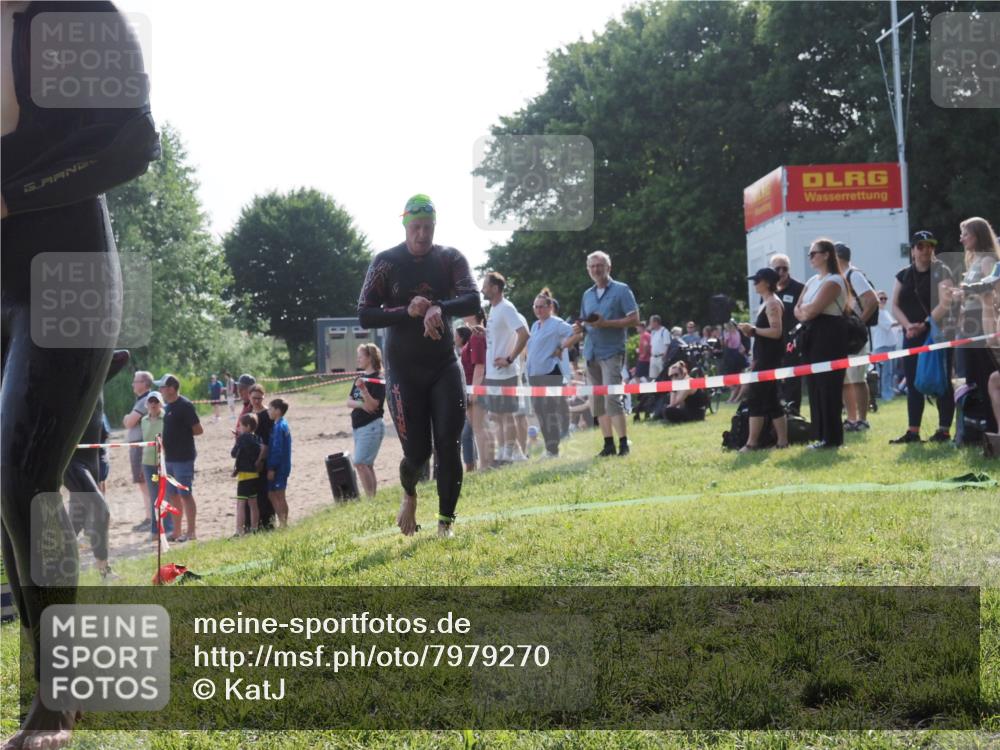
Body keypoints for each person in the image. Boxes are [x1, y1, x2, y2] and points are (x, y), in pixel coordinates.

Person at [1, 2, 159, 745]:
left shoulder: (78, 14)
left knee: (23, 476)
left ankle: (60, 694)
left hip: (68, 277)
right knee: (7, 486)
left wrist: (14, 196)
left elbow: (132, 141)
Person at [357, 195, 480, 537]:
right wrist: (406, 310)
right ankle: (409, 494)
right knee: (417, 454)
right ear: (405, 226)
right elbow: (365, 313)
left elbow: (472, 299)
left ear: (435, 226)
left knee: (449, 443)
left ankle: (445, 523)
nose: (422, 234)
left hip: (443, 365)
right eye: (416, 227)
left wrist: (439, 307)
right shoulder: (386, 262)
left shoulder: (450, 258)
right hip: (404, 370)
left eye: (428, 227)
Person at [564, 251, 639, 457]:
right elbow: (585, 323)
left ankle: (623, 444)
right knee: (597, 402)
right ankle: (608, 445)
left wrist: (607, 323)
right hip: (591, 353)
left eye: (600, 265)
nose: (596, 269)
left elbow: (634, 319)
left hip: (612, 351)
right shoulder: (587, 295)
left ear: (609, 267)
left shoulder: (622, 290)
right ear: (588, 270)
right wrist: (579, 327)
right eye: (592, 266)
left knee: (612, 398)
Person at [889, 230, 956, 444]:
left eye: (930, 246)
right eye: (920, 246)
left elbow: (945, 302)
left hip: (937, 334)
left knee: (941, 380)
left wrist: (925, 324)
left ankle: (943, 431)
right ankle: (913, 431)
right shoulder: (903, 275)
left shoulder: (942, 270)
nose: (926, 250)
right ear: (913, 250)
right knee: (913, 382)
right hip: (911, 335)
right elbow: (894, 305)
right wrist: (908, 326)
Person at [794, 238, 851, 448]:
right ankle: (819, 435)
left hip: (829, 336)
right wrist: (805, 312)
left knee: (828, 387)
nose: (810, 257)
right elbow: (798, 309)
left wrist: (806, 311)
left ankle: (832, 437)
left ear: (826, 255)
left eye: (813, 253)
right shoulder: (812, 281)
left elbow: (813, 309)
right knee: (814, 386)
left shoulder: (835, 280)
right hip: (812, 334)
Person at [482, 271, 530, 462]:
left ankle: (509, 454)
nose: (482, 289)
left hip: (506, 372)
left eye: (485, 285)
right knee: (497, 415)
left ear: (495, 288)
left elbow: (524, 334)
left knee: (508, 415)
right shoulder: (494, 309)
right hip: (493, 372)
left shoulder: (506, 307)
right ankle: (506, 451)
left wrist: (509, 359)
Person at [738, 268, 788, 451]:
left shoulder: (772, 303)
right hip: (764, 357)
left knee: (756, 399)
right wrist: (752, 332)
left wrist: (753, 330)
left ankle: (752, 443)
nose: (754, 284)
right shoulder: (766, 302)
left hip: (768, 359)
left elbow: (776, 332)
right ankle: (782, 442)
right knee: (771, 400)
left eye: (757, 280)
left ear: (767, 282)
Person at [953, 217, 1000, 400]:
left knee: (984, 372)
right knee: (970, 373)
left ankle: (988, 413)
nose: (961, 239)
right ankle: (975, 412)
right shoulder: (974, 260)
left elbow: (994, 292)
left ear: (978, 235)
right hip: (971, 320)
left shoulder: (988, 260)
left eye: (966, 234)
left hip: (982, 321)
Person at [835, 243, 878, 431]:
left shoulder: (854, 275)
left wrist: (858, 324)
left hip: (856, 336)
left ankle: (862, 419)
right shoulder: (838, 277)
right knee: (845, 379)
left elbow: (872, 300)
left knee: (857, 378)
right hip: (843, 334)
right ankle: (851, 419)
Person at [527, 290, 574, 457]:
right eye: (536, 306)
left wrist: (561, 347)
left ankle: (553, 449)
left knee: (549, 412)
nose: (538, 310)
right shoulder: (535, 325)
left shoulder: (557, 323)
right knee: (539, 412)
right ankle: (549, 448)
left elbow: (575, 333)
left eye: (541, 306)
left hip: (550, 373)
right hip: (534, 376)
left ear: (550, 307)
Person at [159, 374, 203, 541]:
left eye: (162, 387)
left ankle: (191, 532)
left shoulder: (185, 405)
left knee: (185, 494)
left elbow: (198, 429)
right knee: (173, 495)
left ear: (171, 389)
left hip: (183, 458)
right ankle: (177, 531)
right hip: (170, 458)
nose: (160, 390)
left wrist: (181, 436)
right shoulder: (168, 406)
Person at [347, 343, 386, 497]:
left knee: (360, 463)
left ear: (370, 358)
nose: (358, 359)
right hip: (358, 427)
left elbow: (374, 406)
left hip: (371, 426)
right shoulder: (360, 378)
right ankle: (372, 500)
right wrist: (362, 404)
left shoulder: (378, 379)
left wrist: (363, 390)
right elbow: (349, 402)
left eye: (360, 356)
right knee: (366, 465)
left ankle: (371, 499)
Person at [769, 254, 806, 415]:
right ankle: (777, 413)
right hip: (773, 342)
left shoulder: (799, 288)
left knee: (792, 379)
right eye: (778, 269)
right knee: (774, 380)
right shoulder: (768, 289)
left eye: (785, 268)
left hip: (793, 341)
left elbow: (805, 314)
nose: (782, 272)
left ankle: (793, 412)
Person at [459, 310, 494, 470]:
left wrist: (474, 391)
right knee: (482, 426)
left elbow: (479, 366)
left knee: (479, 427)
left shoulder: (476, 336)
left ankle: (486, 465)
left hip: (476, 385)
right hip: (476, 385)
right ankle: (489, 462)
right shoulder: (477, 335)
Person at [123, 370, 155, 532]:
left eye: (135, 381)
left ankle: (151, 518)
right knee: (144, 483)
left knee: (144, 482)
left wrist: (126, 418)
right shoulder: (143, 400)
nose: (133, 384)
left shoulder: (144, 401)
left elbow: (129, 422)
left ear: (144, 384)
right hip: (140, 445)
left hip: (140, 445)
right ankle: (150, 517)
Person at [139, 391, 171, 539]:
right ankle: (155, 530)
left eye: (156, 401)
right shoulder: (144, 420)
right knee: (154, 496)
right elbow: (144, 441)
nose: (153, 404)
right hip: (148, 463)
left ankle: (169, 528)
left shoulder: (166, 418)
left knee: (166, 494)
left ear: (160, 403)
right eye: (151, 401)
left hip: (163, 462)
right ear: (147, 404)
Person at [247, 384, 275, 529]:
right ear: (249, 397)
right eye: (254, 398)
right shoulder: (248, 412)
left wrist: (261, 460)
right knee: (251, 493)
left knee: (265, 493)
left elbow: (268, 441)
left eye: (260, 398)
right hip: (250, 458)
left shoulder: (267, 415)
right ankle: (253, 525)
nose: (257, 401)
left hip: (264, 458)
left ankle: (267, 524)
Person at [231, 413, 262, 536]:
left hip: (244, 475)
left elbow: (233, 453)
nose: (239, 428)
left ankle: (239, 531)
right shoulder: (257, 438)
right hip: (254, 474)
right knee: (253, 503)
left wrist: (238, 439)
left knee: (241, 503)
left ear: (247, 426)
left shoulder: (242, 438)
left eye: (241, 426)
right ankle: (254, 529)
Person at [872, 290, 902, 402]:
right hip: (882, 346)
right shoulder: (877, 313)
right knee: (884, 372)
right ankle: (884, 394)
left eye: (885, 298)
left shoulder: (885, 312)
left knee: (890, 372)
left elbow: (895, 328)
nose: (883, 300)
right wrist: (904, 320)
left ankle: (889, 392)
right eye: (881, 298)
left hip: (890, 345)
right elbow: (890, 325)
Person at [266, 398, 292, 528]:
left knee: (280, 495)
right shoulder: (281, 424)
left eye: (270, 409)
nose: (268, 411)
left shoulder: (279, 427)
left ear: (278, 411)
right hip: (282, 465)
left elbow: (277, 449)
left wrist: (272, 468)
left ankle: (284, 523)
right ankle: (282, 522)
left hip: (279, 467)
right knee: (271, 494)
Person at [647, 315, 670, 380]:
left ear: (656, 322)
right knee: (653, 378)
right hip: (653, 357)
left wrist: (664, 356)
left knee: (663, 377)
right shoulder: (653, 332)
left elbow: (667, 345)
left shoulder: (664, 331)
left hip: (661, 357)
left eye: (651, 322)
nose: (650, 324)